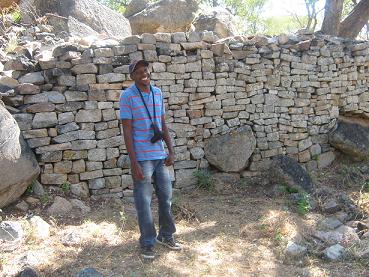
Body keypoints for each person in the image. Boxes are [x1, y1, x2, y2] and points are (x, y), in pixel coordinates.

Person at [120, 59, 181, 260]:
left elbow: (162, 124)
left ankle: (166, 235)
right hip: (142, 158)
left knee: (166, 197)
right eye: (138, 71)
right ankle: (147, 242)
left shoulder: (157, 93)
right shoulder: (127, 96)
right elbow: (127, 130)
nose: (143, 73)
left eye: (145, 70)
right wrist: (134, 162)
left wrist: (170, 150)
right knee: (143, 202)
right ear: (132, 76)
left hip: (159, 155)